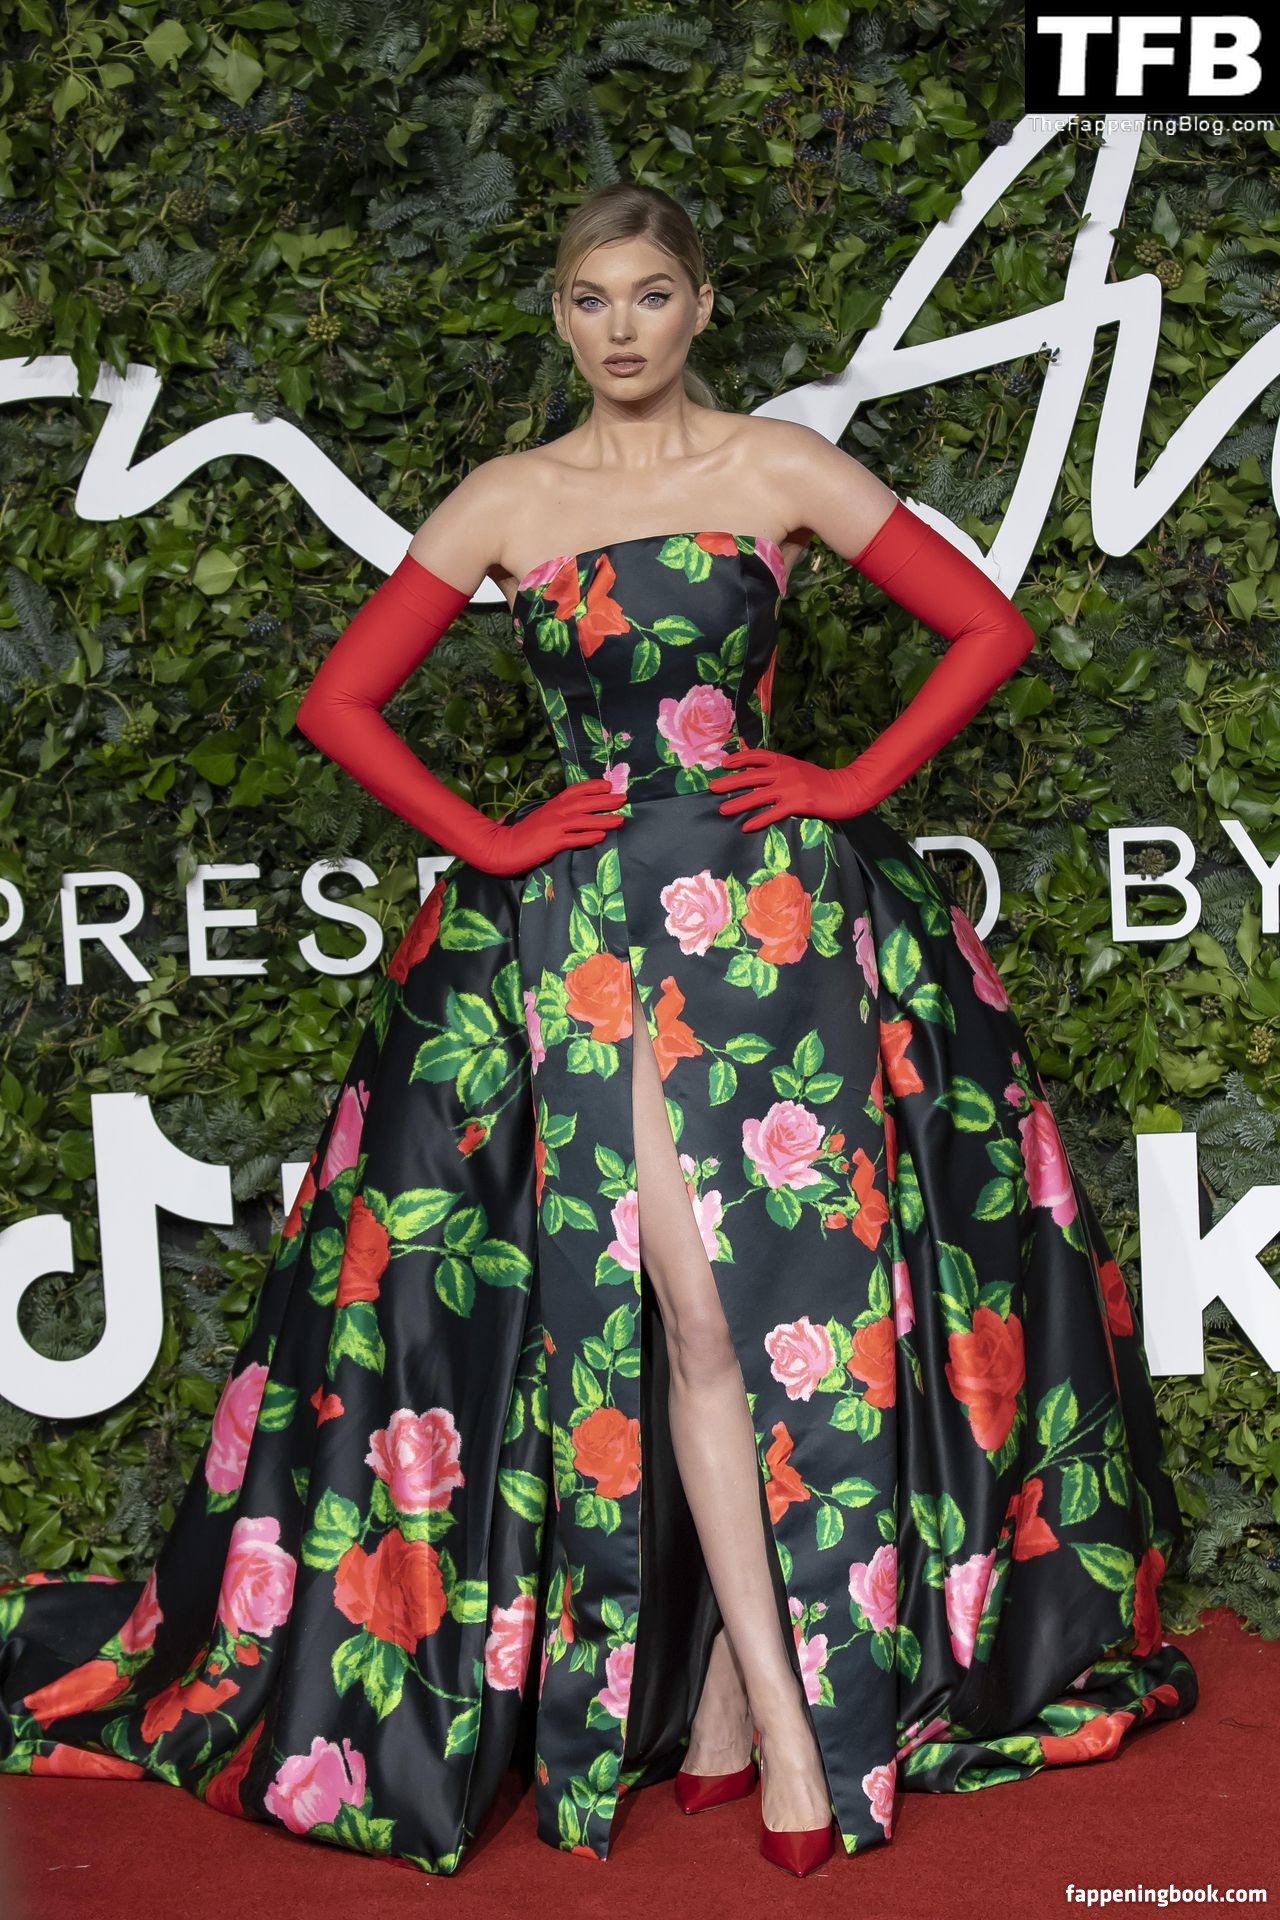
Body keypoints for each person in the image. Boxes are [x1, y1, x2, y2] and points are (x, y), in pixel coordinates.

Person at [0, 182, 1196, 1881]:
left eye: (647, 294)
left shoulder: (782, 466)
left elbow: (985, 625)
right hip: (591, 952)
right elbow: (339, 701)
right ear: (559, 315)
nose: (618, 327)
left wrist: (850, 783)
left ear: (698, 304)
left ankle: (720, 1702)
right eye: (586, 298)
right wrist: (490, 843)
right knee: (698, 1320)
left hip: (780, 937)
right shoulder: (510, 499)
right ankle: (787, 1726)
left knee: (800, 1326)